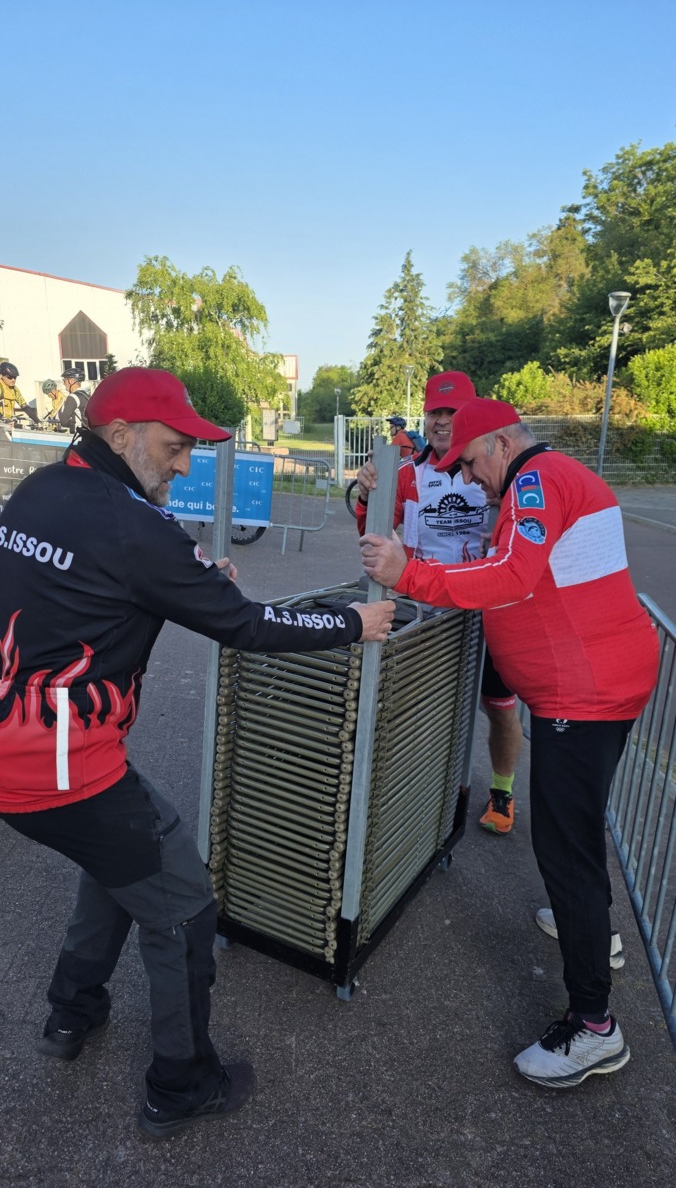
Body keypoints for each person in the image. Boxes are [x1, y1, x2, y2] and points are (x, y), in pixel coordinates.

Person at [0, 366, 395, 1139]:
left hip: (23, 748)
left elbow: (80, 587)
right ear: (121, 435)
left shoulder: (41, 490)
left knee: (124, 864)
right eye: (174, 446)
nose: (184, 465)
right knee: (182, 907)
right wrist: (354, 623)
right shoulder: (134, 526)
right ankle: (180, 1085)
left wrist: (184, 579)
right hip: (61, 768)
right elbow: (246, 625)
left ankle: (70, 1012)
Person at [360, 396, 659, 1089]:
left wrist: (409, 576)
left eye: (469, 462)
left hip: (582, 694)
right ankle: (596, 930)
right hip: (596, 682)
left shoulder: (534, 479)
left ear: (498, 442)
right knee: (578, 830)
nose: (468, 479)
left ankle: (594, 1028)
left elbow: (513, 577)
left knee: (564, 848)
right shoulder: (550, 476)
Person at [356, 372, 522, 834]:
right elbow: (374, 535)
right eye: (435, 413)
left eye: (454, 412)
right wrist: (367, 495)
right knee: (417, 700)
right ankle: (421, 785)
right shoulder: (407, 473)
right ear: (425, 418)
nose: (443, 421)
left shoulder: (497, 469)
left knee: (498, 705)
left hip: (485, 610)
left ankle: (503, 790)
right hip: (424, 611)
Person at [55, 367, 90, 433]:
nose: (63, 383)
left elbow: (64, 421)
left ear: (71, 381)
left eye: (64, 381)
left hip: (78, 434)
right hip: (89, 434)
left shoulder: (72, 397)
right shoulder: (87, 396)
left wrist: (73, 422)